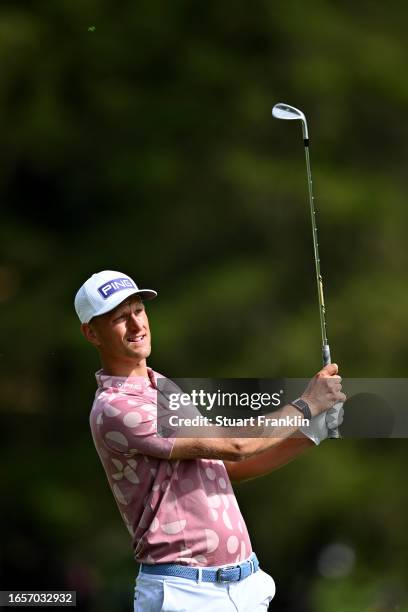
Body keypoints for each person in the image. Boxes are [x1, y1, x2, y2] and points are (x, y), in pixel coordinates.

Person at [74, 270, 346, 612]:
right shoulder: (116, 407)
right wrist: (307, 405)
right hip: (186, 593)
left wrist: (311, 434)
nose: (135, 325)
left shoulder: (161, 386)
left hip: (245, 585)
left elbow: (228, 466)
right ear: (91, 333)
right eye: (119, 318)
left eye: (138, 311)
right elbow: (235, 445)